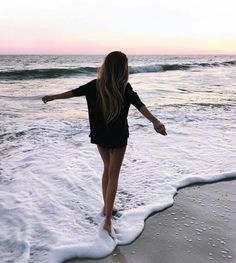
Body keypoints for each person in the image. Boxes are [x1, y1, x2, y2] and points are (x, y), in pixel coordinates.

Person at [42, 51, 167, 234]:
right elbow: (140, 106)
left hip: (100, 135)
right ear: (123, 68)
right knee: (113, 173)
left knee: (107, 169)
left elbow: (73, 93)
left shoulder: (95, 85)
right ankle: (108, 219)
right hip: (118, 136)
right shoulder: (125, 87)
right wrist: (155, 122)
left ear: (106, 67)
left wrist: (53, 97)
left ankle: (107, 208)